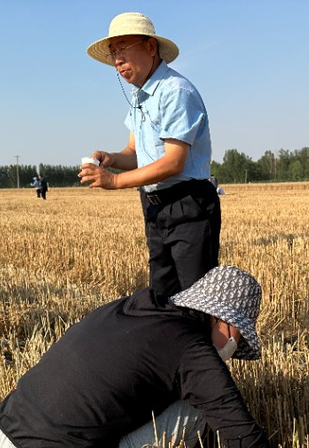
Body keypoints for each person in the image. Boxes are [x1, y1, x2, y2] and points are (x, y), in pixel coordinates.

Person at [0, 266, 276, 448]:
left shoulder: (131, 307)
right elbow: (243, 437)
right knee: (197, 406)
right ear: (222, 320)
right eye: (238, 337)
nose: (234, 347)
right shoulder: (193, 351)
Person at [80, 12, 220, 299]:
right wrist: (111, 159)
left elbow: (173, 162)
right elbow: (135, 153)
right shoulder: (140, 96)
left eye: (123, 49)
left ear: (150, 47)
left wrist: (115, 182)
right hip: (155, 207)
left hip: (187, 205)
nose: (116, 60)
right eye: (113, 52)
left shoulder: (175, 91)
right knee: (163, 297)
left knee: (196, 301)